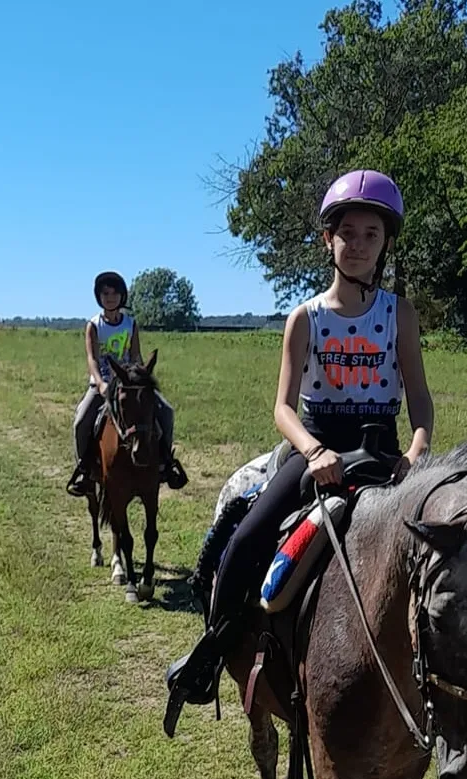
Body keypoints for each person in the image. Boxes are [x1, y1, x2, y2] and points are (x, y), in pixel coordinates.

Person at [165, 169, 435, 702]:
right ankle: (213, 653)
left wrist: (416, 452)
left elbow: (420, 399)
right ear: (327, 240)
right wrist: (312, 451)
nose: (358, 245)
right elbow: (282, 407)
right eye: (348, 233)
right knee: (243, 540)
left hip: (383, 449)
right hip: (316, 445)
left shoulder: (398, 313)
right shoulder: (305, 318)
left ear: (385, 244)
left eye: (371, 235)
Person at [66, 271, 188, 496]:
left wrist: (141, 378)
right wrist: (101, 383)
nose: (110, 298)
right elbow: (92, 358)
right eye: (105, 293)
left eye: (114, 293)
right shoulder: (93, 325)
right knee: (81, 420)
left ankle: (166, 463)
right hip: (102, 384)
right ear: (99, 297)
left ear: (122, 296)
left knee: (166, 412)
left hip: (130, 384)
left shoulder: (130, 324)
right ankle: (83, 468)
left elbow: (135, 356)